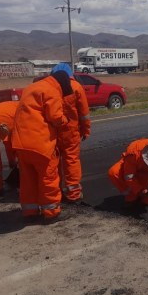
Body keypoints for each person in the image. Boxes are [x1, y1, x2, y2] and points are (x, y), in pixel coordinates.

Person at [11, 70, 71, 223]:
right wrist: (65, 121)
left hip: (20, 143)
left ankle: (29, 211)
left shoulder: (32, 88)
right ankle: (51, 213)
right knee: (48, 177)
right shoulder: (52, 91)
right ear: (62, 84)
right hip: (40, 143)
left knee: (28, 180)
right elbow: (56, 117)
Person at [50, 63, 91, 203]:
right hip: (71, 131)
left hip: (52, 132)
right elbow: (84, 113)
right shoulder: (76, 87)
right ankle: (73, 194)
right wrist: (86, 130)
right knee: (71, 161)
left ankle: (55, 192)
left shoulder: (50, 87)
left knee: (54, 163)